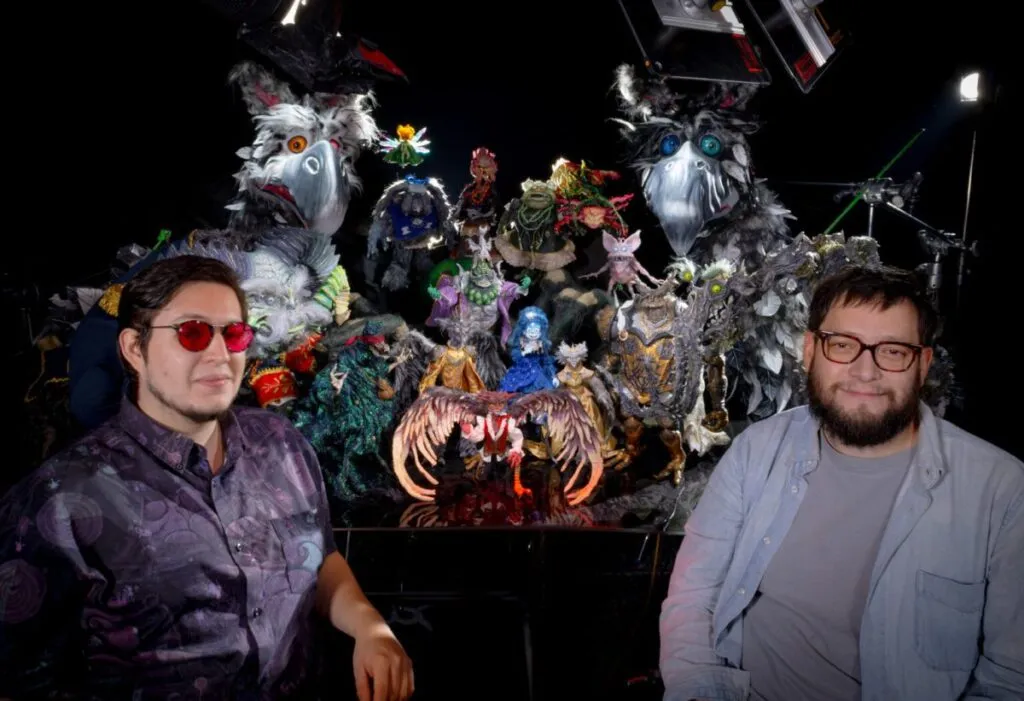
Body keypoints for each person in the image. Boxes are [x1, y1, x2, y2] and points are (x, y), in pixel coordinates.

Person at [0, 256, 414, 701]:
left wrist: (370, 627)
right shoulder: (59, 501)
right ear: (135, 349)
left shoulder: (281, 444)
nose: (219, 355)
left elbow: (319, 555)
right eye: (192, 333)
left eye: (234, 334)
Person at [659, 266, 1023, 701]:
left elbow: (1010, 678)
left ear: (923, 365)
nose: (865, 372)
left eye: (893, 351)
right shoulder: (757, 450)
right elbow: (694, 596)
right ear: (810, 350)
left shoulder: (1001, 490)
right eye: (843, 345)